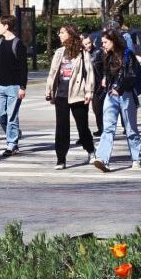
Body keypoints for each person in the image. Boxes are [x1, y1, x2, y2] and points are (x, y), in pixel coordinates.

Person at [46, 25, 95, 170]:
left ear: (70, 34)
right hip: (61, 94)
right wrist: (49, 90)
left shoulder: (82, 52)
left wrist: (89, 91)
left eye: (62, 33)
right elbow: (53, 72)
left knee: (82, 126)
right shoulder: (59, 52)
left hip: (78, 93)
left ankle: (91, 150)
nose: (59, 35)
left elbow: (89, 72)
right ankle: (61, 158)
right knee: (61, 127)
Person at [93, 30, 141, 172]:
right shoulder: (106, 56)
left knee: (130, 128)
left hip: (125, 94)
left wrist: (119, 89)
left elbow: (132, 76)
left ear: (113, 41)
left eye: (105, 42)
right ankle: (102, 159)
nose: (102, 45)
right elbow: (105, 73)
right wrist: (106, 82)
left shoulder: (127, 54)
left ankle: (136, 158)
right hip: (111, 94)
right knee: (108, 127)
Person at [0, 15, 28, 157]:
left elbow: (23, 67)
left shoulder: (18, 44)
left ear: (6, 26)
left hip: (14, 86)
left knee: (12, 117)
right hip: (0, 86)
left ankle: (11, 144)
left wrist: (22, 87)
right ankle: (14, 133)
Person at [82, 32, 105, 137]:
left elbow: (105, 67)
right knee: (89, 110)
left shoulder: (99, 52)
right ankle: (86, 132)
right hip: (85, 85)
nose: (88, 45)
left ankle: (102, 129)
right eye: (85, 44)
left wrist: (104, 78)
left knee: (98, 108)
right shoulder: (81, 54)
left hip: (98, 84)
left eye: (89, 43)